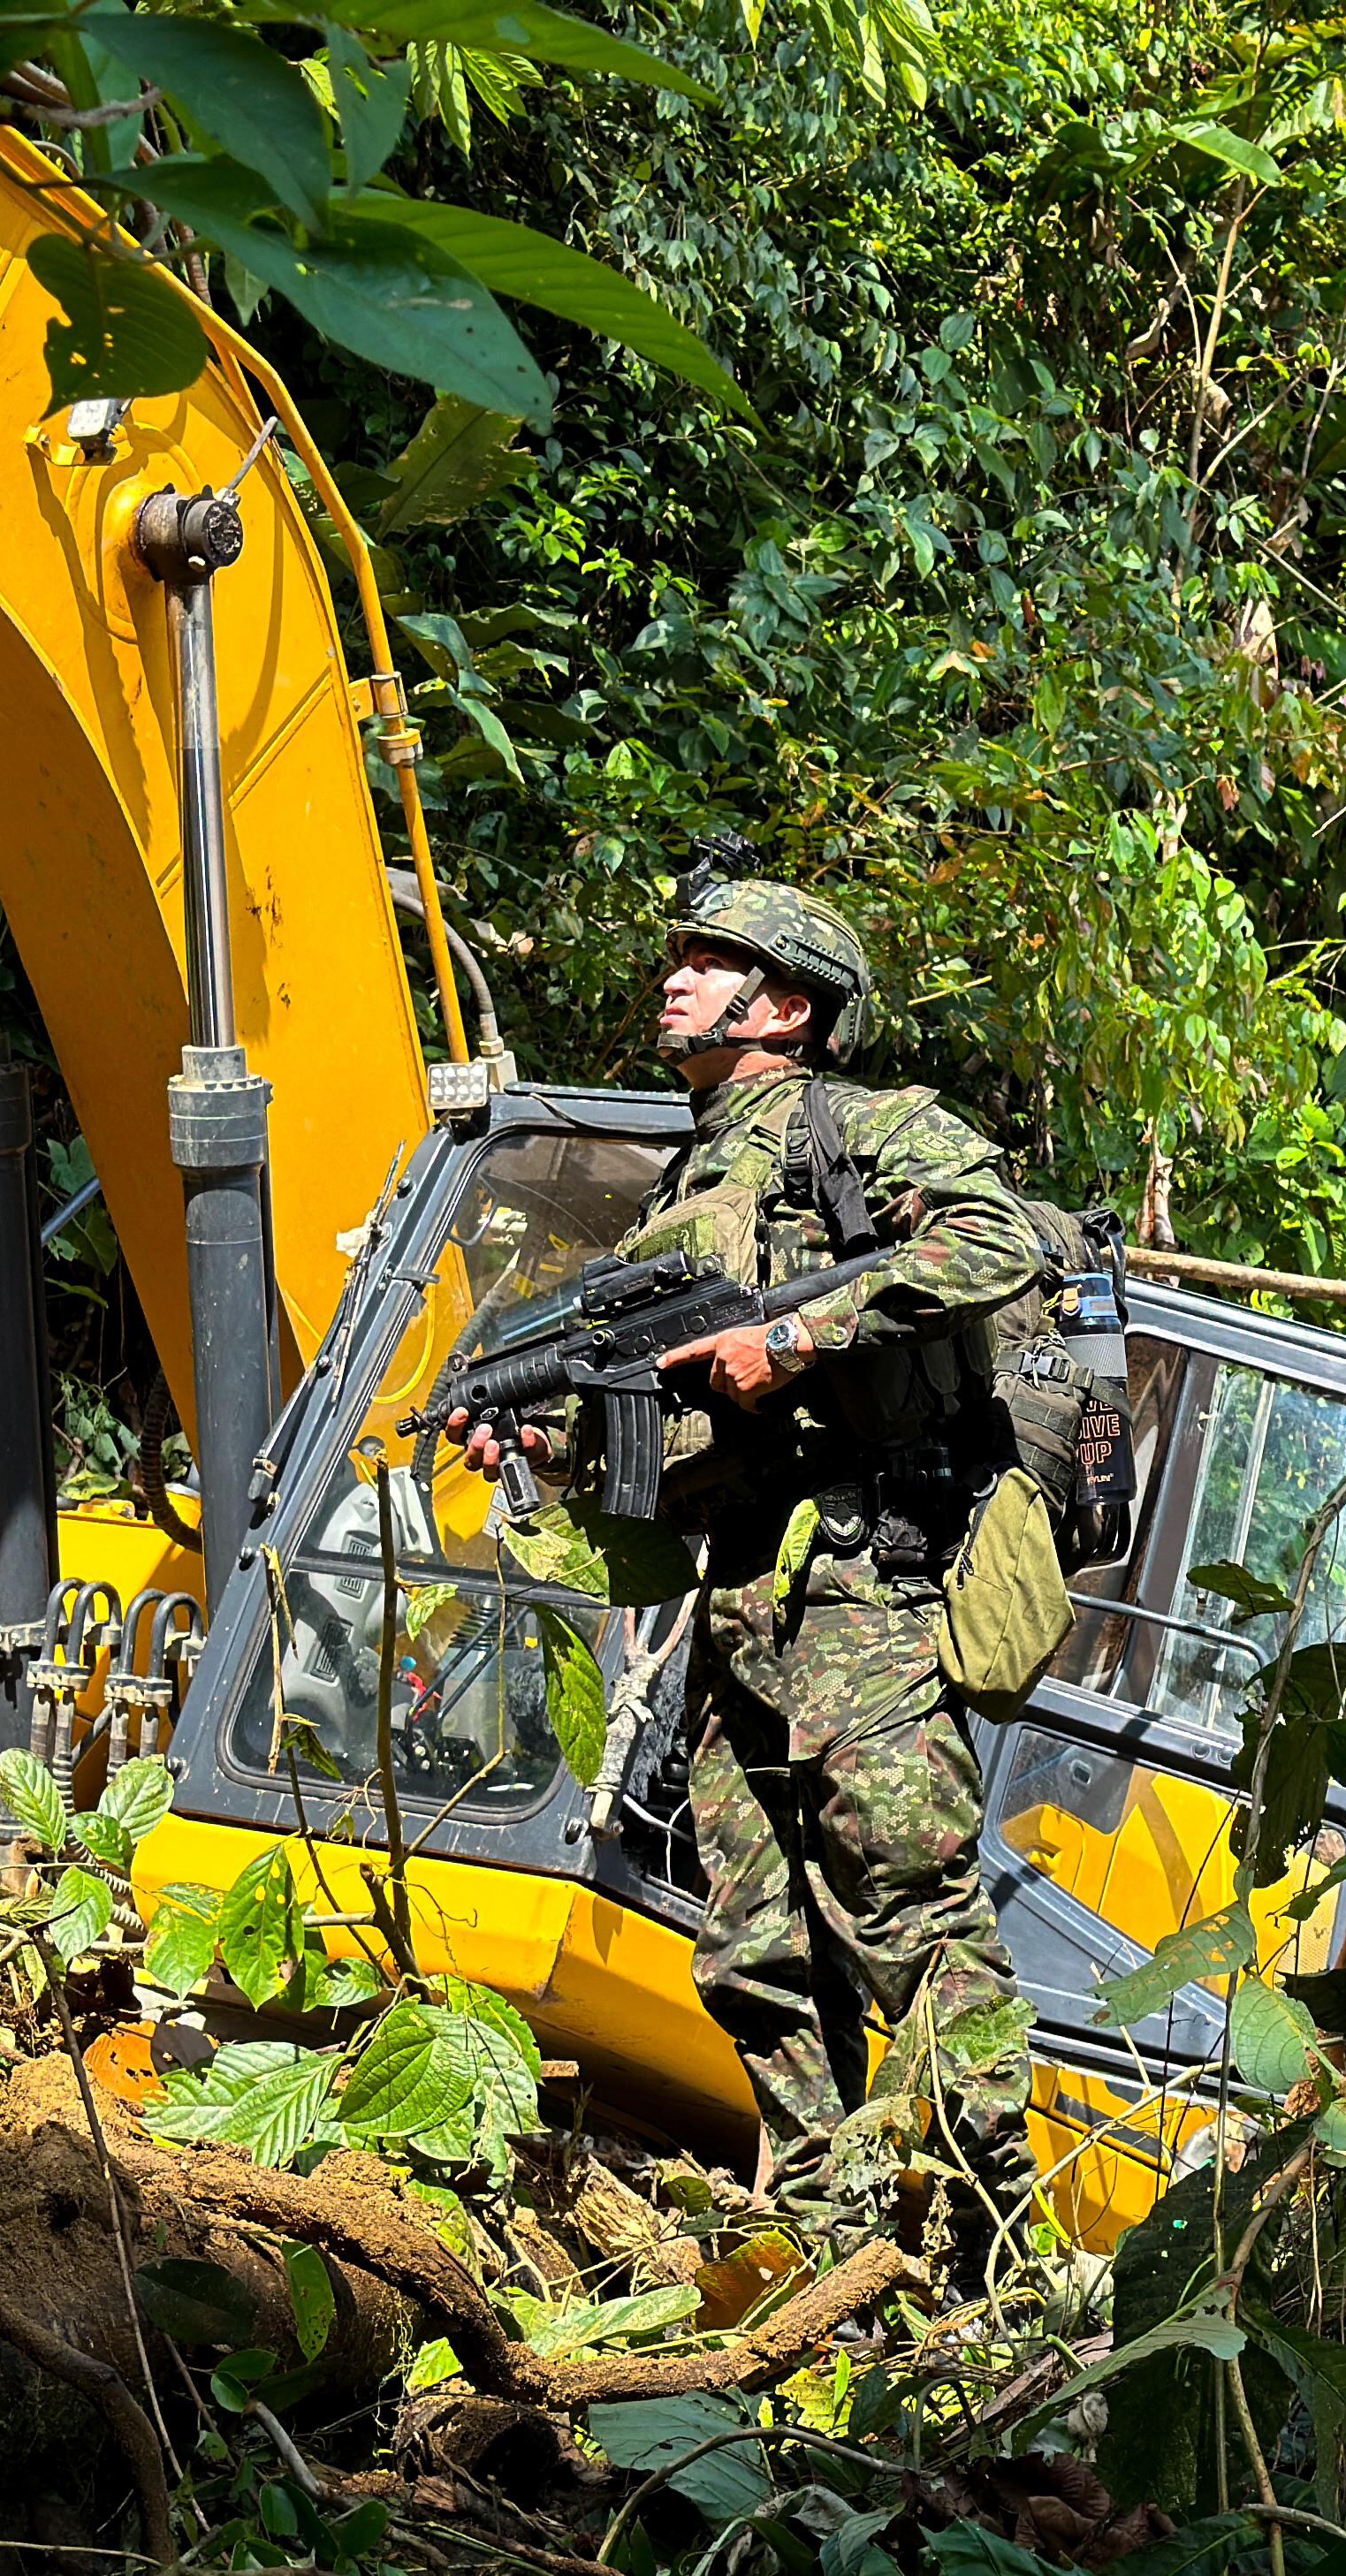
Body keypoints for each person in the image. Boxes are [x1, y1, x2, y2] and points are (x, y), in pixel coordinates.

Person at [446, 870, 1044, 2253]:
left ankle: (1007, 2255)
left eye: (708, 963)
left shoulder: (867, 1130)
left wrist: (795, 1339)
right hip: (743, 1592)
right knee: (757, 1937)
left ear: (785, 1006)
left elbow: (999, 1240)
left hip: (866, 1586)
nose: (673, 979)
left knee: (909, 1903)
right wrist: (542, 1449)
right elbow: (673, 1420)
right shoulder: (689, 1172)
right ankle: (837, 2234)